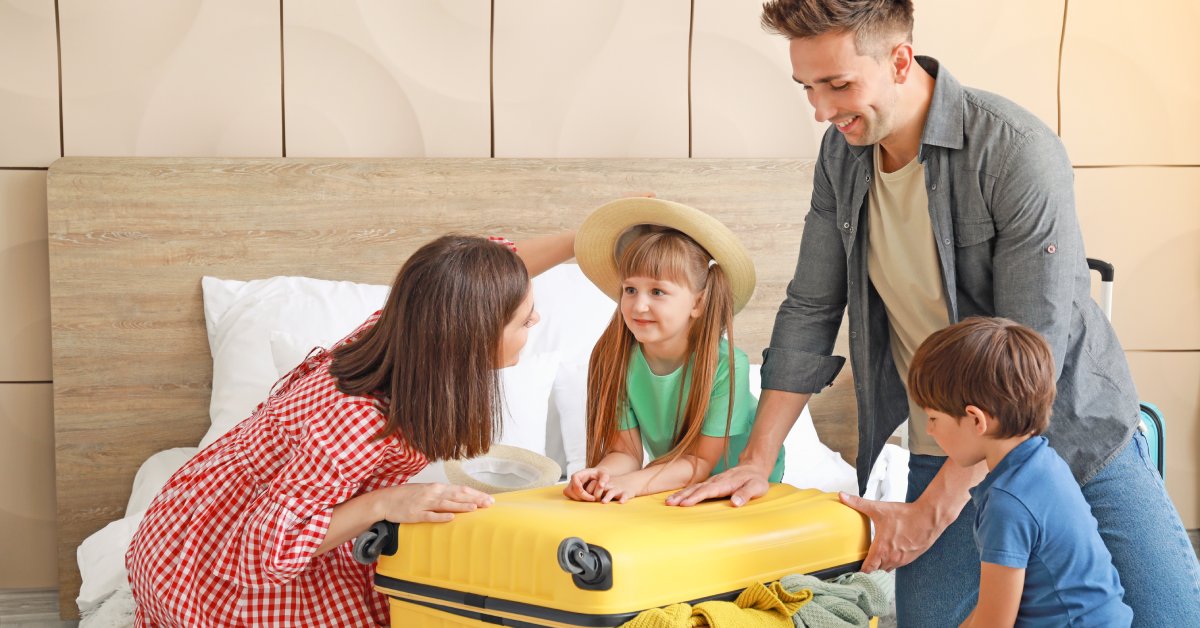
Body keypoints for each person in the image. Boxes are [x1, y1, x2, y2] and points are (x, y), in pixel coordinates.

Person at [667, 0, 1200, 625]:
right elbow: (811, 306)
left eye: (838, 85)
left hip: (1074, 432)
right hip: (947, 437)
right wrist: (754, 462)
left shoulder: (1015, 150)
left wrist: (931, 513)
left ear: (900, 60)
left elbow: (1035, 344)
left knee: (1170, 617)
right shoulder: (841, 158)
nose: (820, 111)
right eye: (808, 87)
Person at [126, 231, 574, 626]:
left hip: (220, 517)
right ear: (471, 333)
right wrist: (386, 501)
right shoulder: (359, 421)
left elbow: (495, 264)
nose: (535, 322)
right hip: (208, 565)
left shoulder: (408, 326)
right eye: (523, 319)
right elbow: (269, 549)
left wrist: (583, 241)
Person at [910, 317, 1132, 627]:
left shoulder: (1006, 504)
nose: (930, 431)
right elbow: (992, 606)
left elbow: (993, 624)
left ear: (976, 420)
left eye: (933, 418)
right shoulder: (1045, 463)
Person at [563, 198, 784, 504]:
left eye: (657, 291)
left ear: (698, 303)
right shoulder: (615, 359)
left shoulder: (726, 365)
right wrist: (602, 476)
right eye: (630, 289)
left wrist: (634, 484)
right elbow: (625, 452)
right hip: (674, 485)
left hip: (744, 490)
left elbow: (700, 463)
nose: (638, 305)